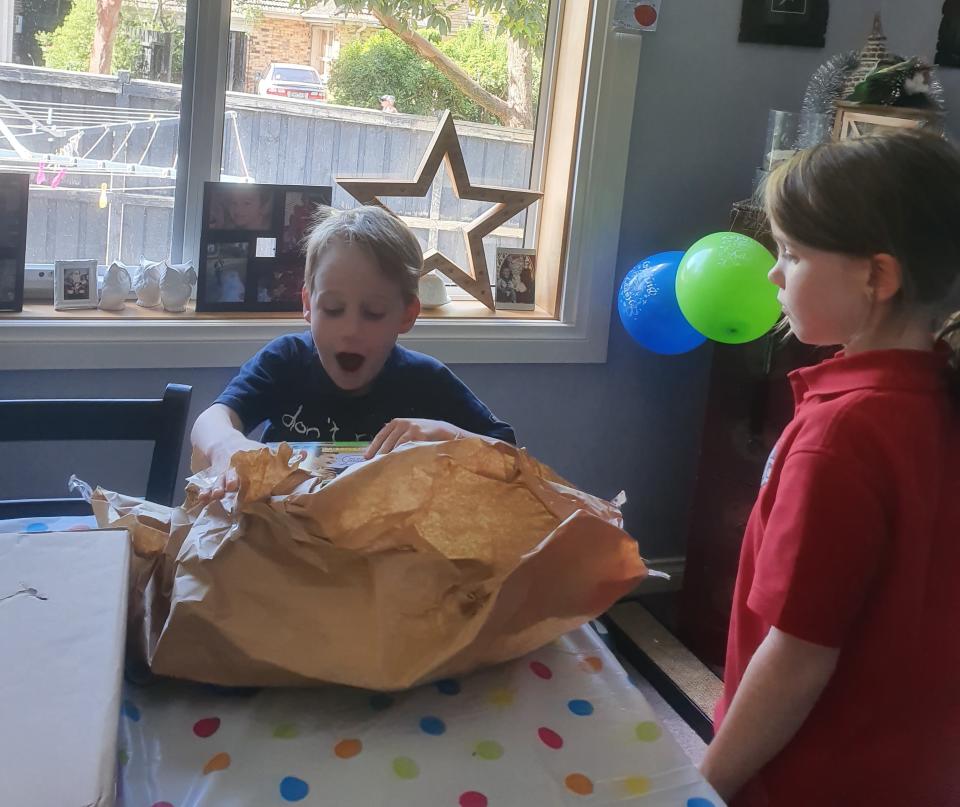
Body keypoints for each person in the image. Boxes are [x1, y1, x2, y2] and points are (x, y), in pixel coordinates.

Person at [700, 130, 960, 806]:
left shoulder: (839, 436)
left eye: (790, 253)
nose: (772, 273)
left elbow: (796, 658)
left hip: (809, 776)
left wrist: (707, 784)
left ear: (877, 276)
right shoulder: (931, 395)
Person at [192, 205, 515, 499]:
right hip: (283, 544)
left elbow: (510, 455)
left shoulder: (425, 380)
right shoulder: (286, 361)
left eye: (373, 312)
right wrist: (227, 445)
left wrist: (448, 436)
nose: (351, 330)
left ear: (406, 315)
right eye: (333, 309)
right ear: (308, 305)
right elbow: (212, 419)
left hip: (387, 551)